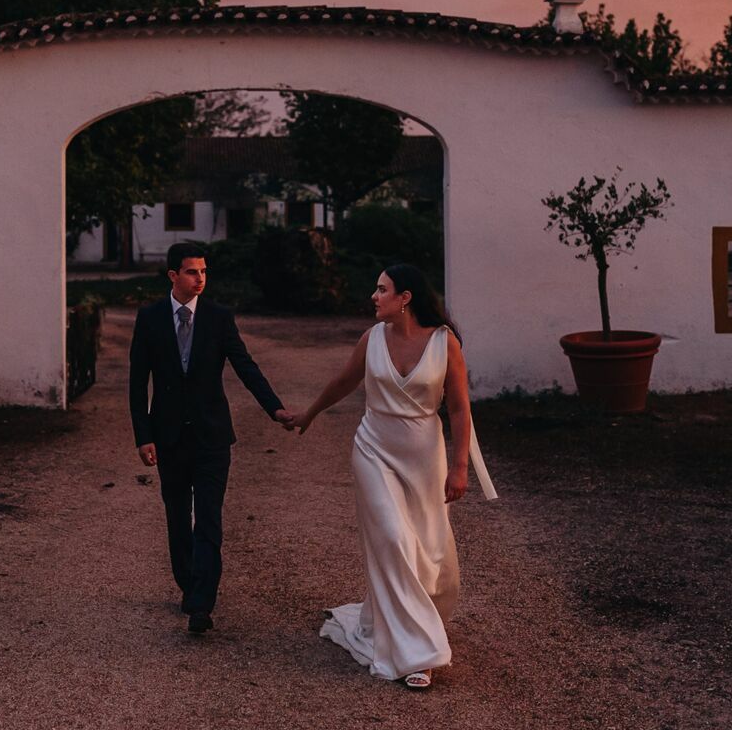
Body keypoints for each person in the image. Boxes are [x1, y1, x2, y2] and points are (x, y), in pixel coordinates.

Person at [289, 263, 497, 689]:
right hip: (373, 449)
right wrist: (307, 415)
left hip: (425, 456)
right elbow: (343, 381)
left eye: (382, 289)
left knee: (429, 552)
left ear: (405, 298)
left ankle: (399, 622)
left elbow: (459, 408)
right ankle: (417, 655)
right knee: (393, 538)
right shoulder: (372, 339)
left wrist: (460, 467)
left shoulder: (445, 343)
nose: (373, 296)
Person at [129, 242, 295, 635]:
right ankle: (189, 583)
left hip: (212, 437)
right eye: (191, 272)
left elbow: (246, 367)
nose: (199, 279)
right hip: (168, 437)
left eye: (203, 271)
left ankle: (202, 603)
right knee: (176, 516)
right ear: (173, 275)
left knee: (209, 518)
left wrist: (276, 409)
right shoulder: (149, 318)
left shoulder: (219, 318)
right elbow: (138, 384)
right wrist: (144, 436)